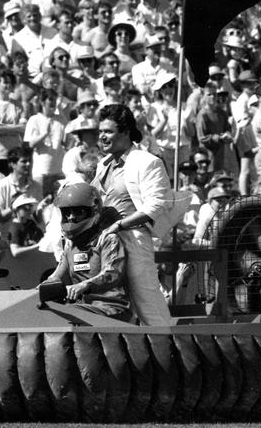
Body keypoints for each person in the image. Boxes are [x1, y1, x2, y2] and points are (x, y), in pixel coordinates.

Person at [92, 104, 173, 326]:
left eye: (108, 131)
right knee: (108, 305)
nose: (102, 136)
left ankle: (169, 350)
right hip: (103, 244)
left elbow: (157, 205)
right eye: (101, 131)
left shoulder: (147, 161)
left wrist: (120, 225)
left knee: (149, 305)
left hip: (133, 240)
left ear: (126, 132)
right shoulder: (103, 164)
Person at [41, 181, 131, 321]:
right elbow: (57, 275)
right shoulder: (70, 244)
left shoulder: (108, 239)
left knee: (67, 313)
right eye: (67, 212)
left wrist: (84, 285)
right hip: (81, 306)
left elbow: (112, 273)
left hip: (111, 308)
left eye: (78, 211)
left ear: (93, 210)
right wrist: (37, 290)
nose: (71, 217)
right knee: (46, 310)